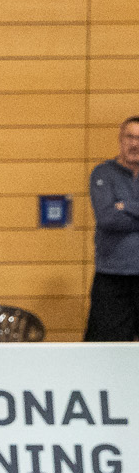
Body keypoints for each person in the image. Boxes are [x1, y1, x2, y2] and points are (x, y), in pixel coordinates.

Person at [83, 116, 139, 342]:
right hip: (112, 277)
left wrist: (124, 206)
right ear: (120, 140)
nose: (135, 144)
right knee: (104, 350)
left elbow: (117, 215)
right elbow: (107, 218)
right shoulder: (103, 174)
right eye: (130, 137)